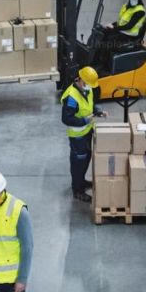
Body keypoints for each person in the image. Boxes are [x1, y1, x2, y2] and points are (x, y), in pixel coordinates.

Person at [61, 66, 107, 203]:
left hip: (87, 131)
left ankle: (81, 181)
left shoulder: (87, 89)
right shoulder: (71, 97)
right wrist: (84, 120)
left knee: (86, 158)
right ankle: (77, 190)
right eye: (87, 83)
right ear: (80, 80)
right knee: (78, 162)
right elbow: (66, 118)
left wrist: (97, 111)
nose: (89, 87)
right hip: (77, 136)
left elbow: (89, 105)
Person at [94, 0, 146, 71]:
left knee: (108, 42)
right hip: (124, 31)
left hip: (130, 35)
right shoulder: (126, 6)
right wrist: (111, 25)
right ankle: (96, 59)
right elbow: (121, 21)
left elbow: (129, 26)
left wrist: (114, 28)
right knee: (104, 33)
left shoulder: (140, 11)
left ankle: (103, 65)